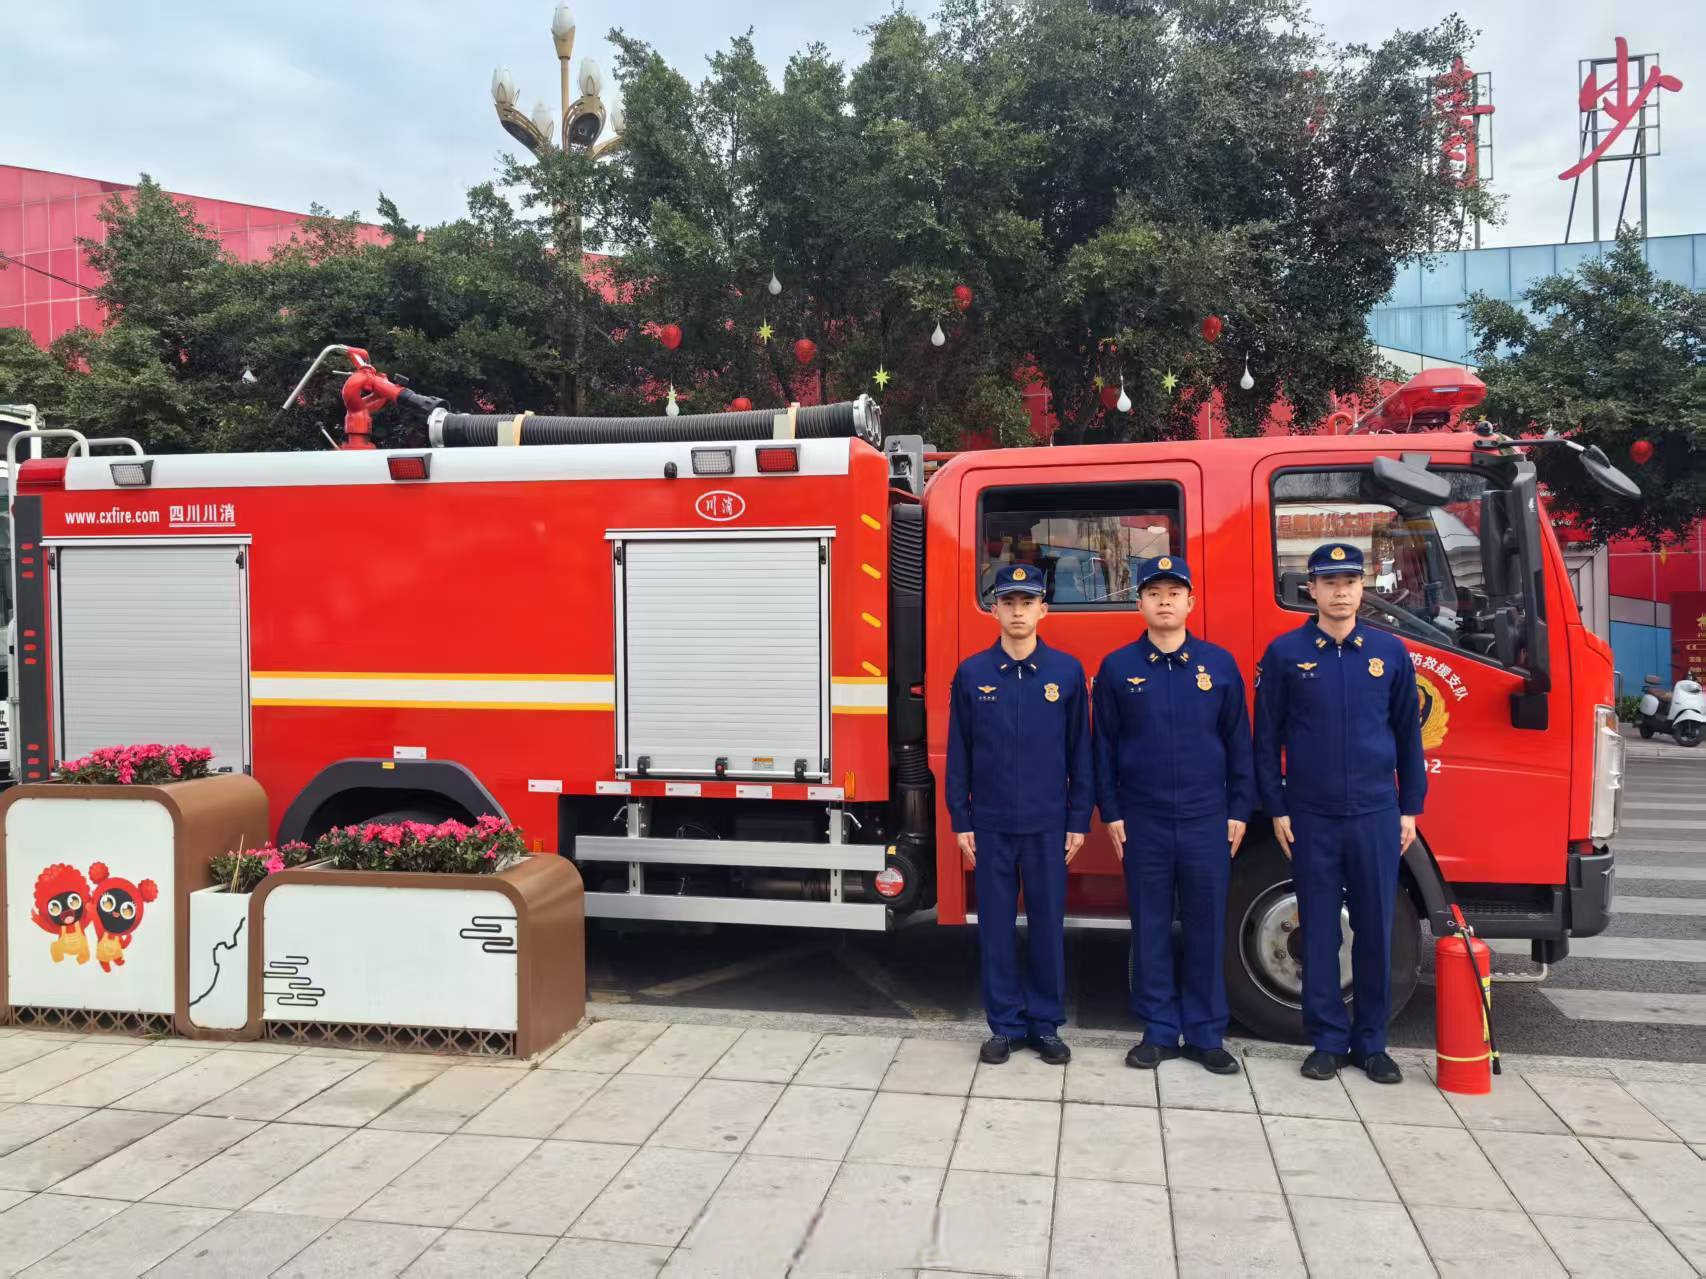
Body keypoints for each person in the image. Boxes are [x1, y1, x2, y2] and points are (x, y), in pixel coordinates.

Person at [1254, 542, 1427, 1084]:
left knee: (1375, 929)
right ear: (1312, 589)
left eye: (1350, 581)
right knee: (1321, 930)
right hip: (1311, 815)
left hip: (1377, 813)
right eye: (1329, 582)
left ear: (1362, 587)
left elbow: (1407, 738)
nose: (1341, 590)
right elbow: (1266, 740)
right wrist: (1277, 807)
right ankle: (1327, 1040)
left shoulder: (1390, 653)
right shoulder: (1285, 654)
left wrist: (1410, 808)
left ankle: (1372, 1043)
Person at [1092, 554, 1254, 1074]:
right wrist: (1112, 812)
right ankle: (1159, 1030)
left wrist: (1239, 808)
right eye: (1154, 593)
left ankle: (1207, 1033)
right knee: (1152, 925)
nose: (1165, 601)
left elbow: (1238, 743)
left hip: (1209, 819)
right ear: (1139, 603)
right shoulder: (1118, 668)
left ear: (1191, 602)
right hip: (1144, 821)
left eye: (1174, 592)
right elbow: (1104, 749)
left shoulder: (1219, 665)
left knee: (1207, 926)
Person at [947, 562, 1092, 1066]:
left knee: (1049, 925)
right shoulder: (972, 673)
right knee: (996, 928)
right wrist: (960, 820)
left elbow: (1081, 752)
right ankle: (1004, 1025)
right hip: (990, 825)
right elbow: (959, 751)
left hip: (1048, 824)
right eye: (1008, 602)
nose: (1017, 611)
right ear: (994, 610)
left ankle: (1046, 1025)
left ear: (1043, 610)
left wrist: (1078, 819)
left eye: (1027, 602)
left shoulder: (1066, 672)